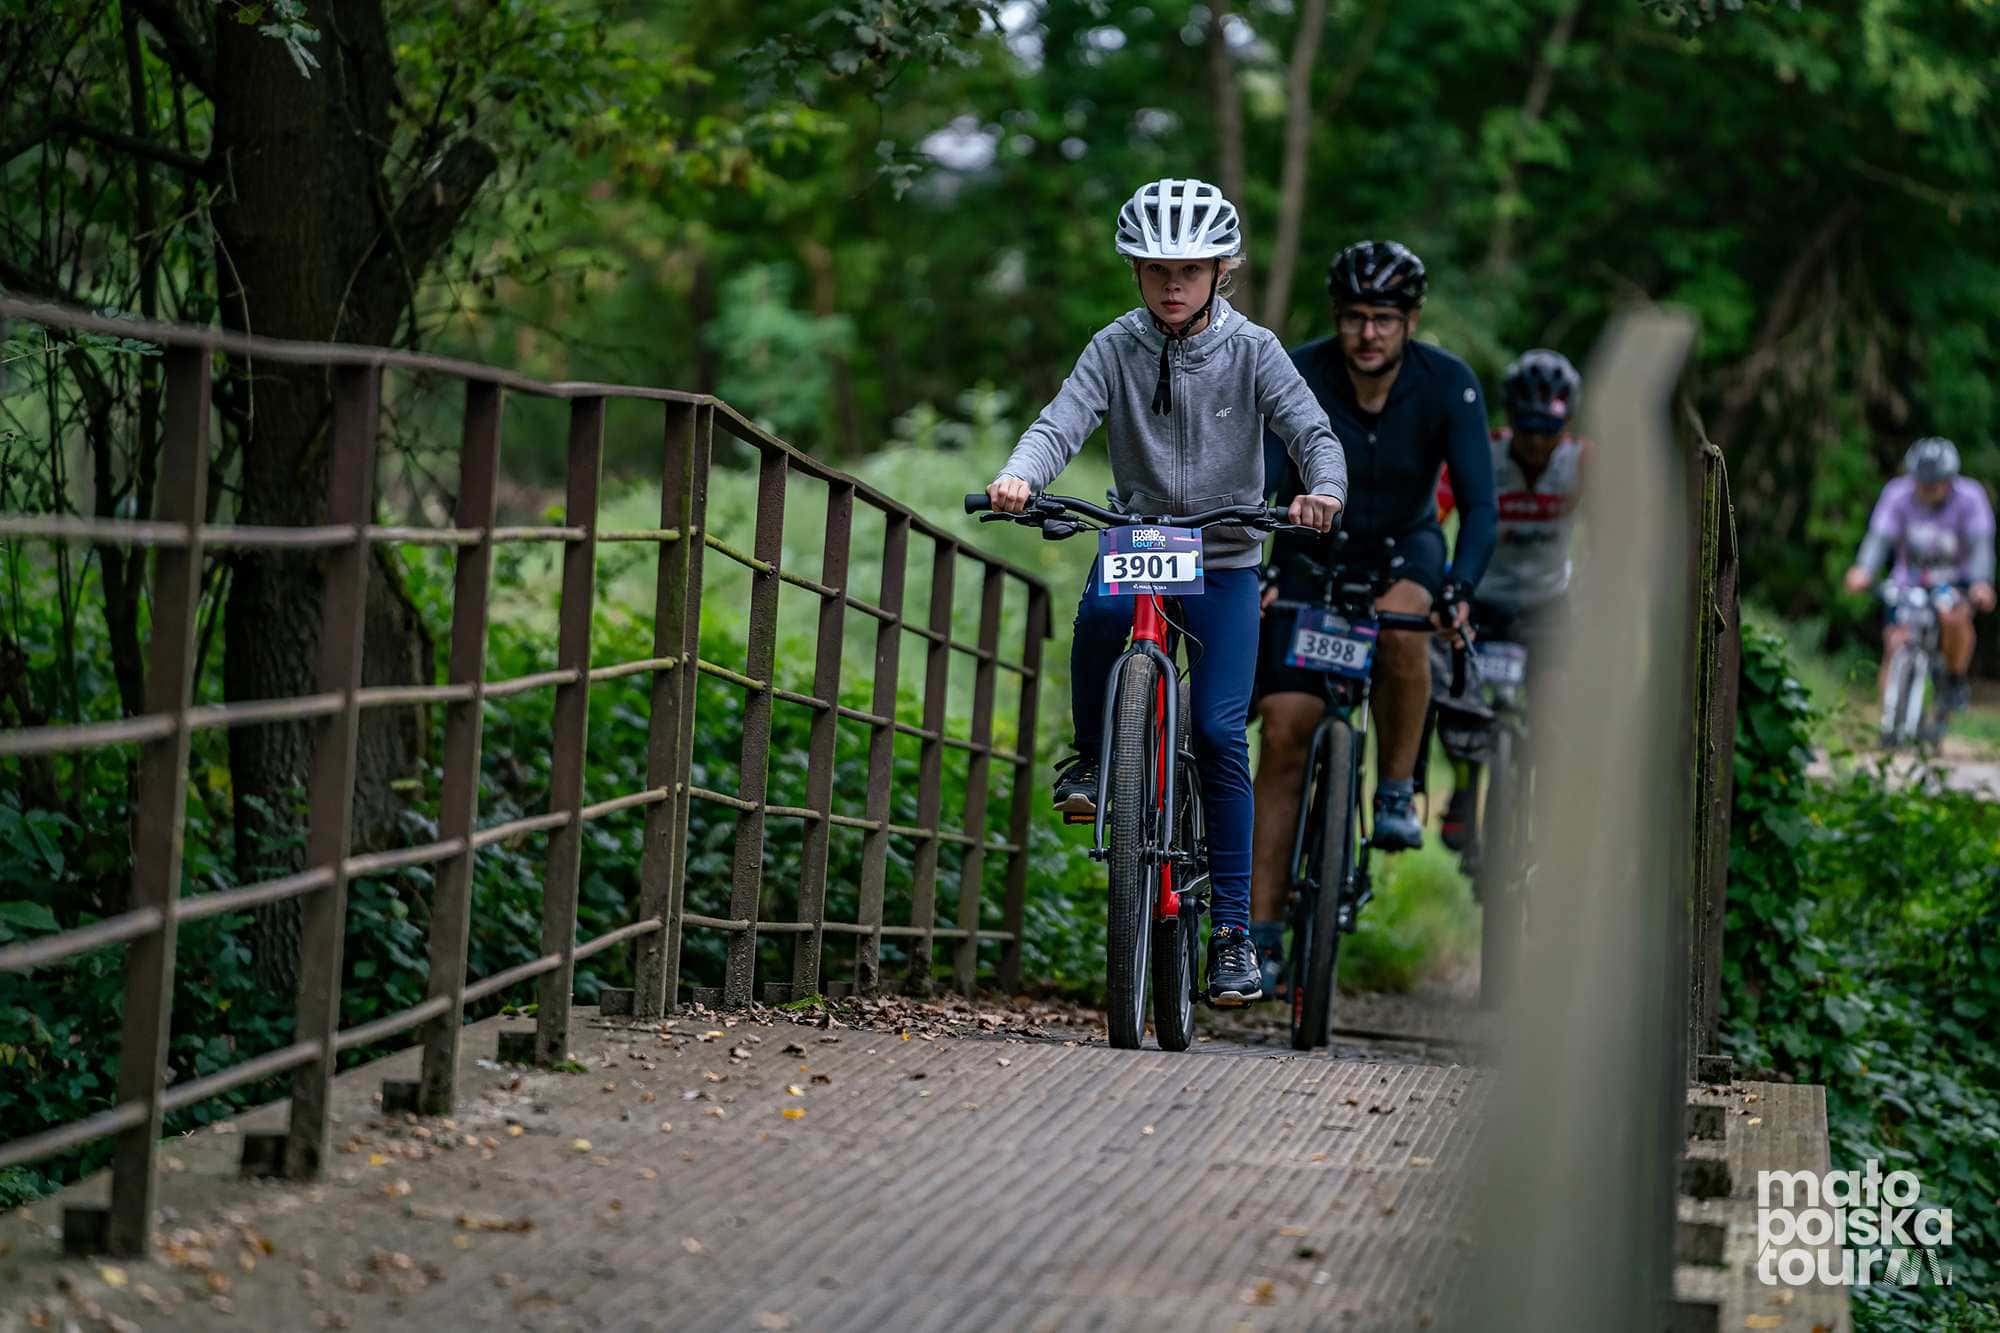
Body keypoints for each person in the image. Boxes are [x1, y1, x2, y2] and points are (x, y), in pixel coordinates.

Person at [984, 178, 1347, 1006]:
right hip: (1141, 538)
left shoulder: (1255, 350)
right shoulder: (1114, 345)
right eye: (1156, 270)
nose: (1172, 285)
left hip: (1225, 554)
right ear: (1136, 273)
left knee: (1219, 733)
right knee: (1101, 615)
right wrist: (1018, 475)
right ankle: (1091, 756)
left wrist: (1322, 489)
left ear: (1222, 270)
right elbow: (1060, 421)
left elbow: (1310, 429)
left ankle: (1232, 933)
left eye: (1189, 269)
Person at [1246, 240, 1496, 986]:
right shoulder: (1297, 370)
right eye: (1354, 317)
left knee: (1400, 626)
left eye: (1384, 319)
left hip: (1403, 550)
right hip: (1307, 552)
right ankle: (1258, 936)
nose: (1368, 333)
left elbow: (1480, 507)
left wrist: (1459, 588)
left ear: (1410, 321)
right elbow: (1261, 477)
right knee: (1284, 735)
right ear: (1336, 317)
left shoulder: (1449, 384)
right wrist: (1258, 565)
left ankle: (1394, 790)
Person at [1434, 349, 1590, 857]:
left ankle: (1545, 810)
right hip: (1481, 601)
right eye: (1527, 430)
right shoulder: (1482, 454)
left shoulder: (1582, 463)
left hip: (1548, 604)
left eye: (1549, 432)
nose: (1537, 443)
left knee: (1554, 711)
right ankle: (1463, 793)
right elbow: (1432, 512)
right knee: (1456, 710)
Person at [1843, 437, 1996, 715]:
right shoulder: (1897, 494)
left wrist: (1981, 583)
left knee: (1954, 618)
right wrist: (1863, 569)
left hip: (1954, 582)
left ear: (1949, 479)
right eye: (1922, 482)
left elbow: (1980, 546)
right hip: (1909, 581)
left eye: (1935, 483)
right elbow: (1879, 537)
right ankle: (1888, 719)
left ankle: (1953, 679)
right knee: (1895, 641)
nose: (1927, 488)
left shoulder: (1970, 497)